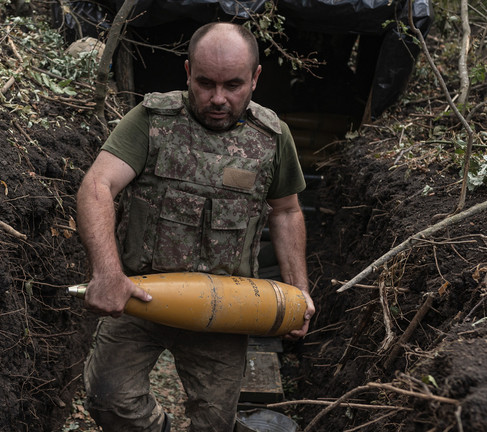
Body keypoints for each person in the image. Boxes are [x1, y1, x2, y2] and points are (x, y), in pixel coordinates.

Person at [75, 21, 315, 432]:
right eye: (205, 83)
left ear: (255, 78)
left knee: (213, 420)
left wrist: (298, 294)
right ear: (187, 72)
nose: (218, 98)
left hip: (228, 308)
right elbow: (96, 185)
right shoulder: (151, 120)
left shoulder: (272, 138)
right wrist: (108, 274)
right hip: (142, 292)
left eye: (233, 85)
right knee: (108, 398)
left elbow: (287, 211)